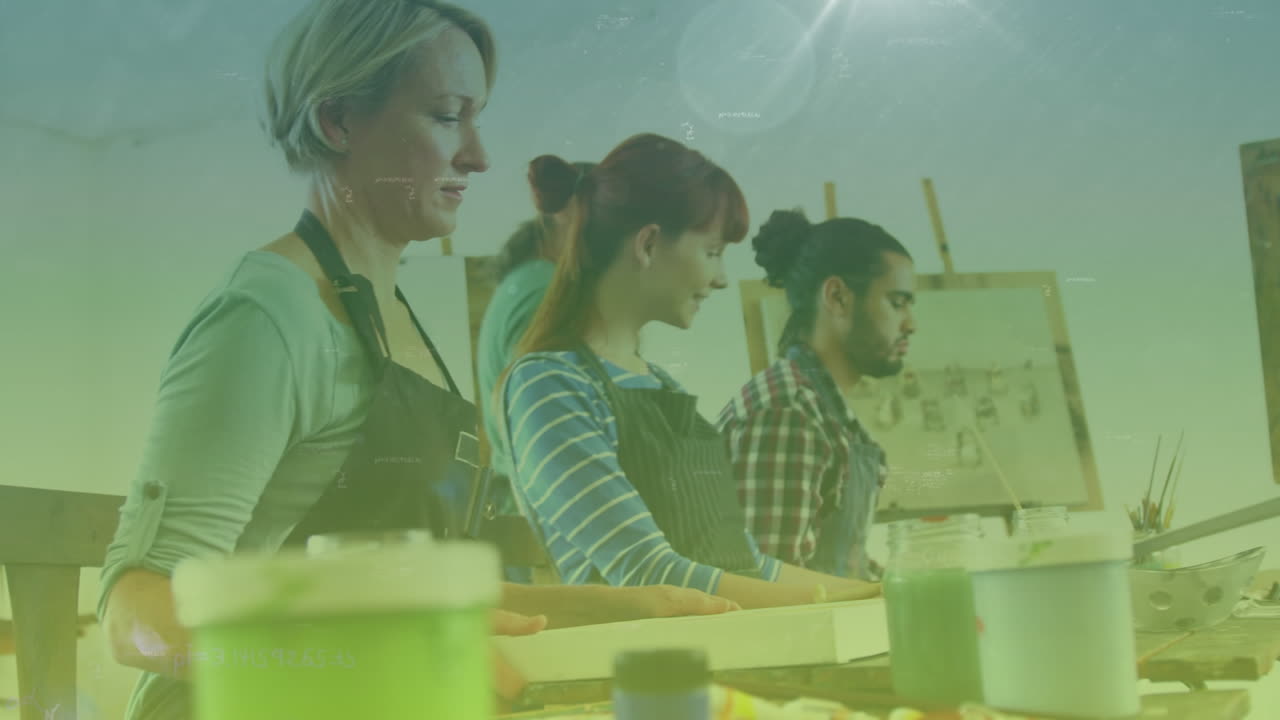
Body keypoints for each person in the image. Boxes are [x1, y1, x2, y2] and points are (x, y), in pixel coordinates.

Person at [95, 3, 732, 718]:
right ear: (338, 121)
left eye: (476, 118)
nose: (478, 155)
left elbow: (403, 600)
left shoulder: (392, 316)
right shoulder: (269, 314)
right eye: (445, 116)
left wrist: (622, 605)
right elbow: (136, 619)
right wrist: (366, 656)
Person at [501, 135, 882, 609]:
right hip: (642, 667)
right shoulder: (548, 385)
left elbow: (746, 562)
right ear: (649, 243)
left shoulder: (663, 385)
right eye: (714, 251)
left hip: (724, 646)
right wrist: (837, 607)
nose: (722, 278)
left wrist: (878, 595)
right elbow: (646, 573)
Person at [717, 210, 916, 580]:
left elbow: (840, 564)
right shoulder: (787, 412)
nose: (910, 325)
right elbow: (767, 589)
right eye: (897, 302)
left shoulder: (823, 412)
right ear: (838, 297)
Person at [475, 157, 595, 583]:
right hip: (543, 523)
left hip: (530, 516)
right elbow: (546, 426)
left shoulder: (526, 281)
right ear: (571, 216)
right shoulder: (544, 289)